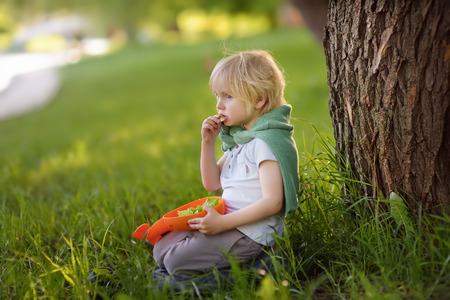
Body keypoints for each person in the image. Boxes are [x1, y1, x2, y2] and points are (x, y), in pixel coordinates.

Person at [152, 50, 299, 284]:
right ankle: (179, 277)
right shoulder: (242, 140)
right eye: (217, 96)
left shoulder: (266, 143)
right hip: (229, 222)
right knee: (160, 249)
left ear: (259, 99)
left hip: (250, 234)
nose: (219, 105)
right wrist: (207, 143)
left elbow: (274, 202)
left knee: (173, 261)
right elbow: (212, 183)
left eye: (228, 96)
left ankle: (262, 268)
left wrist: (221, 224)